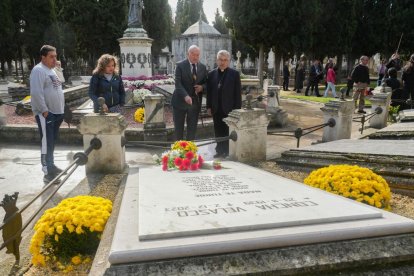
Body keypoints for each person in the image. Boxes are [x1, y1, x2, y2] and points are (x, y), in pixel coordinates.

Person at [30, 45, 65, 184]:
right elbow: (36, 93)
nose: (54, 59)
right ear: (43, 57)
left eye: (55, 56)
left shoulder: (51, 70)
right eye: (51, 56)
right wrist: (44, 111)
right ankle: (47, 172)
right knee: (46, 143)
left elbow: (61, 82)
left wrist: (58, 68)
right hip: (47, 114)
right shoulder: (38, 70)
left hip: (57, 113)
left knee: (52, 141)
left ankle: (51, 165)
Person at [207, 50, 242, 158]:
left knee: (228, 131)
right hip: (216, 108)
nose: (222, 62)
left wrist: (237, 110)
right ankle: (219, 150)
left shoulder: (234, 74)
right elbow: (209, 92)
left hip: (230, 109)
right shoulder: (211, 74)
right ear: (217, 60)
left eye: (225, 60)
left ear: (229, 61)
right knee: (218, 130)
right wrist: (208, 106)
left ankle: (227, 151)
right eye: (220, 60)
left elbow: (237, 94)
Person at [171, 45, 207, 141]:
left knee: (192, 129)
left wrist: (202, 87)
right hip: (179, 101)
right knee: (179, 129)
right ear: (188, 54)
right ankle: (179, 151)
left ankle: (189, 151)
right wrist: (185, 96)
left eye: (197, 55)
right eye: (193, 54)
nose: (195, 57)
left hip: (195, 103)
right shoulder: (180, 66)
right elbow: (178, 84)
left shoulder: (203, 67)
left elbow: (207, 83)